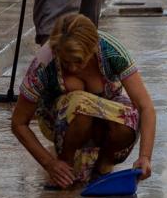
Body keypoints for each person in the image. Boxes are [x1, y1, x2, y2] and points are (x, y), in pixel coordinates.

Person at [10, 14, 156, 188]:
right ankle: (66, 164)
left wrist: (145, 157)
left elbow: (145, 107)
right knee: (80, 103)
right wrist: (50, 164)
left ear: (93, 48)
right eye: (66, 62)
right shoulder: (44, 61)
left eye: (79, 61)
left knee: (129, 118)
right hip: (61, 122)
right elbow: (18, 123)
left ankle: (102, 166)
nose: (72, 68)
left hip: (104, 119)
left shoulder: (111, 50)